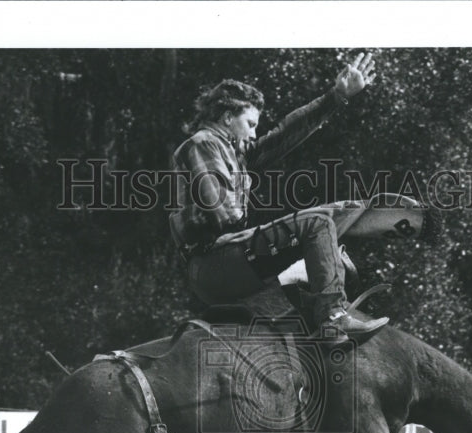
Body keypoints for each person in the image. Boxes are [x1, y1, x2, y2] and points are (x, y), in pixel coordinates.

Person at [170, 53, 434, 344]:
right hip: (215, 264)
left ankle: (319, 307)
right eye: (251, 123)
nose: (255, 133)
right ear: (228, 117)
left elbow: (282, 136)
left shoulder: (232, 151)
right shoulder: (203, 143)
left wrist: (336, 97)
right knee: (317, 223)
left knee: (330, 226)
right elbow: (225, 216)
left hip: (227, 260)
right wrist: (288, 236)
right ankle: (332, 320)